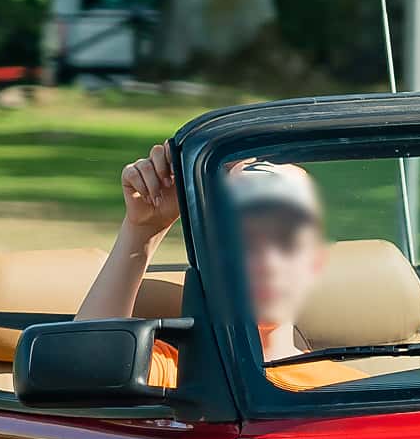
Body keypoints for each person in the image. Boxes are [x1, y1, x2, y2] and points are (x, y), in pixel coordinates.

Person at [81, 142, 332, 380]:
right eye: (243, 242)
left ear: (315, 263)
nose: (267, 263)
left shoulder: (342, 387)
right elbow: (86, 367)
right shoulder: (174, 372)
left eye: (286, 243)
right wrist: (143, 231)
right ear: (211, 260)